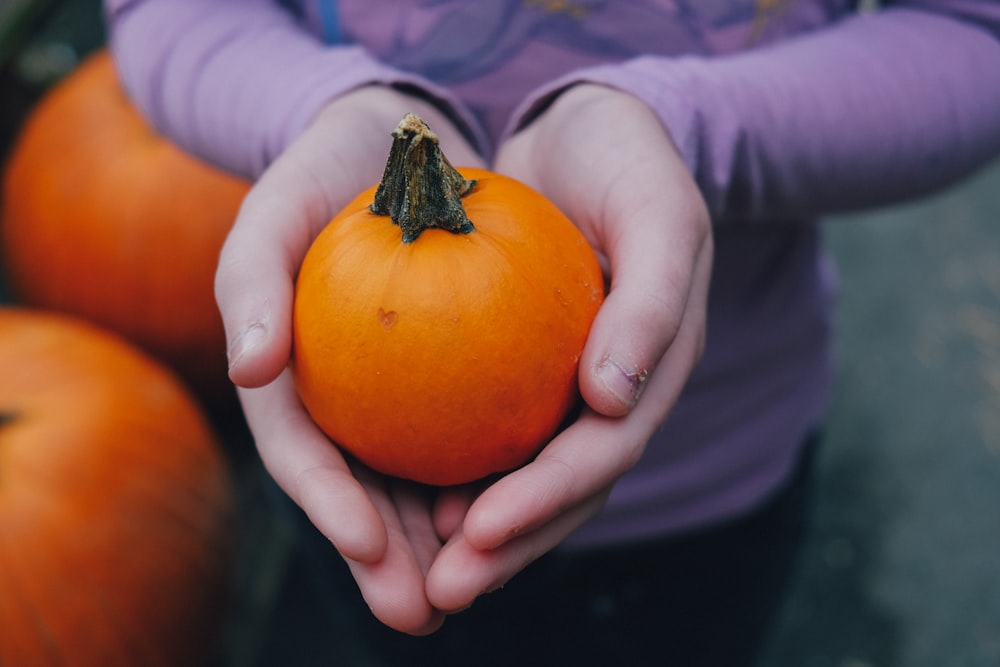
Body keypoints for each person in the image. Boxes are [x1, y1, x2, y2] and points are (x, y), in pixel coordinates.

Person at [104, 0, 1000, 664]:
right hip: (365, 493)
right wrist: (323, 107)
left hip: (722, 464)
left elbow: (973, 32)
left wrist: (683, 126)